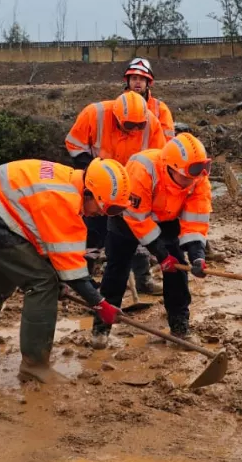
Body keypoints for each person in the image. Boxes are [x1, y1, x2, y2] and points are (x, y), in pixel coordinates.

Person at [0, 158, 129, 384]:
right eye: (106, 208)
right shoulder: (62, 200)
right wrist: (100, 304)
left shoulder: (67, 182)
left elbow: (48, 247)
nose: (103, 214)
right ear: (89, 193)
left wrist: (62, 281)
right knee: (42, 283)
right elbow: (73, 271)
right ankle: (34, 366)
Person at [90, 133, 212, 346]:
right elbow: (137, 219)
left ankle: (179, 326)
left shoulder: (198, 179)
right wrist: (160, 254)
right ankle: (101, 328)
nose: (191, 182)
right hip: (127, 219)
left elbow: (195, 221)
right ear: (170, 167)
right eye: (186, 177)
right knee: (117, 270)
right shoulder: (143, 167)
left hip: (166, 220)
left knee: (177, 270)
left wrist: (197, 257)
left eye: (195, 178)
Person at [65, 91, 168, 291]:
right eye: (129, 125)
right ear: (116, 116)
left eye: (139, 126)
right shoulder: (94, 114)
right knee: (93, 231)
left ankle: (143, 281)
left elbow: (158, 159)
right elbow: (74, 145)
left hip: (132, 185)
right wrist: (93, 171)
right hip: (98, 182)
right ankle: (84, 282)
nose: (134, 130)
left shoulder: (152, 124)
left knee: (136, 231)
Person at [123, 58, 176, 295]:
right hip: (121, 176)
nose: (136, 83)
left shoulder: (159, 109)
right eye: (133, 78)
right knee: (118, 231)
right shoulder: (120, 104)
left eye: (140, 79)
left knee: (146, 226)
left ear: (148, 82)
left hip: (151, 177)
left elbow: (168, 146)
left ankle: (143, 280)